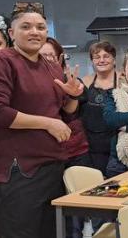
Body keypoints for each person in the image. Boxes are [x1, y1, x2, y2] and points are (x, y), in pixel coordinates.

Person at [0, 2, 84, 238]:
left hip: (53, 165)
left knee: (50, 232)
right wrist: (47, 123)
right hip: (20, 169)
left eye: (41, 27)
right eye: (26, 26)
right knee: (19, 232)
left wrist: (74, 97)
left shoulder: (52, 67)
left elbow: (65, 114)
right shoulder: (1, 62)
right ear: (12, 33)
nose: (35, 32)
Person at [40, 37, 90, 168]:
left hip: (75, 150)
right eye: (41, 56)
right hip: (44, 153)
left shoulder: (71, 81)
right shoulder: (29, 84)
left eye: (51, 55)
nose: (46, 60)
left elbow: (70, 113)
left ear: (59, 58)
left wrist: (73, 96)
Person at [77, 41, 120, 175]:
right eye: (97, 57)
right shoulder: (84, 82)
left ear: (114, 59)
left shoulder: (124, 80)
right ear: (92, 61)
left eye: (106, 56)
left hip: (118, 146)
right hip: (92, 147)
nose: (102, 60)